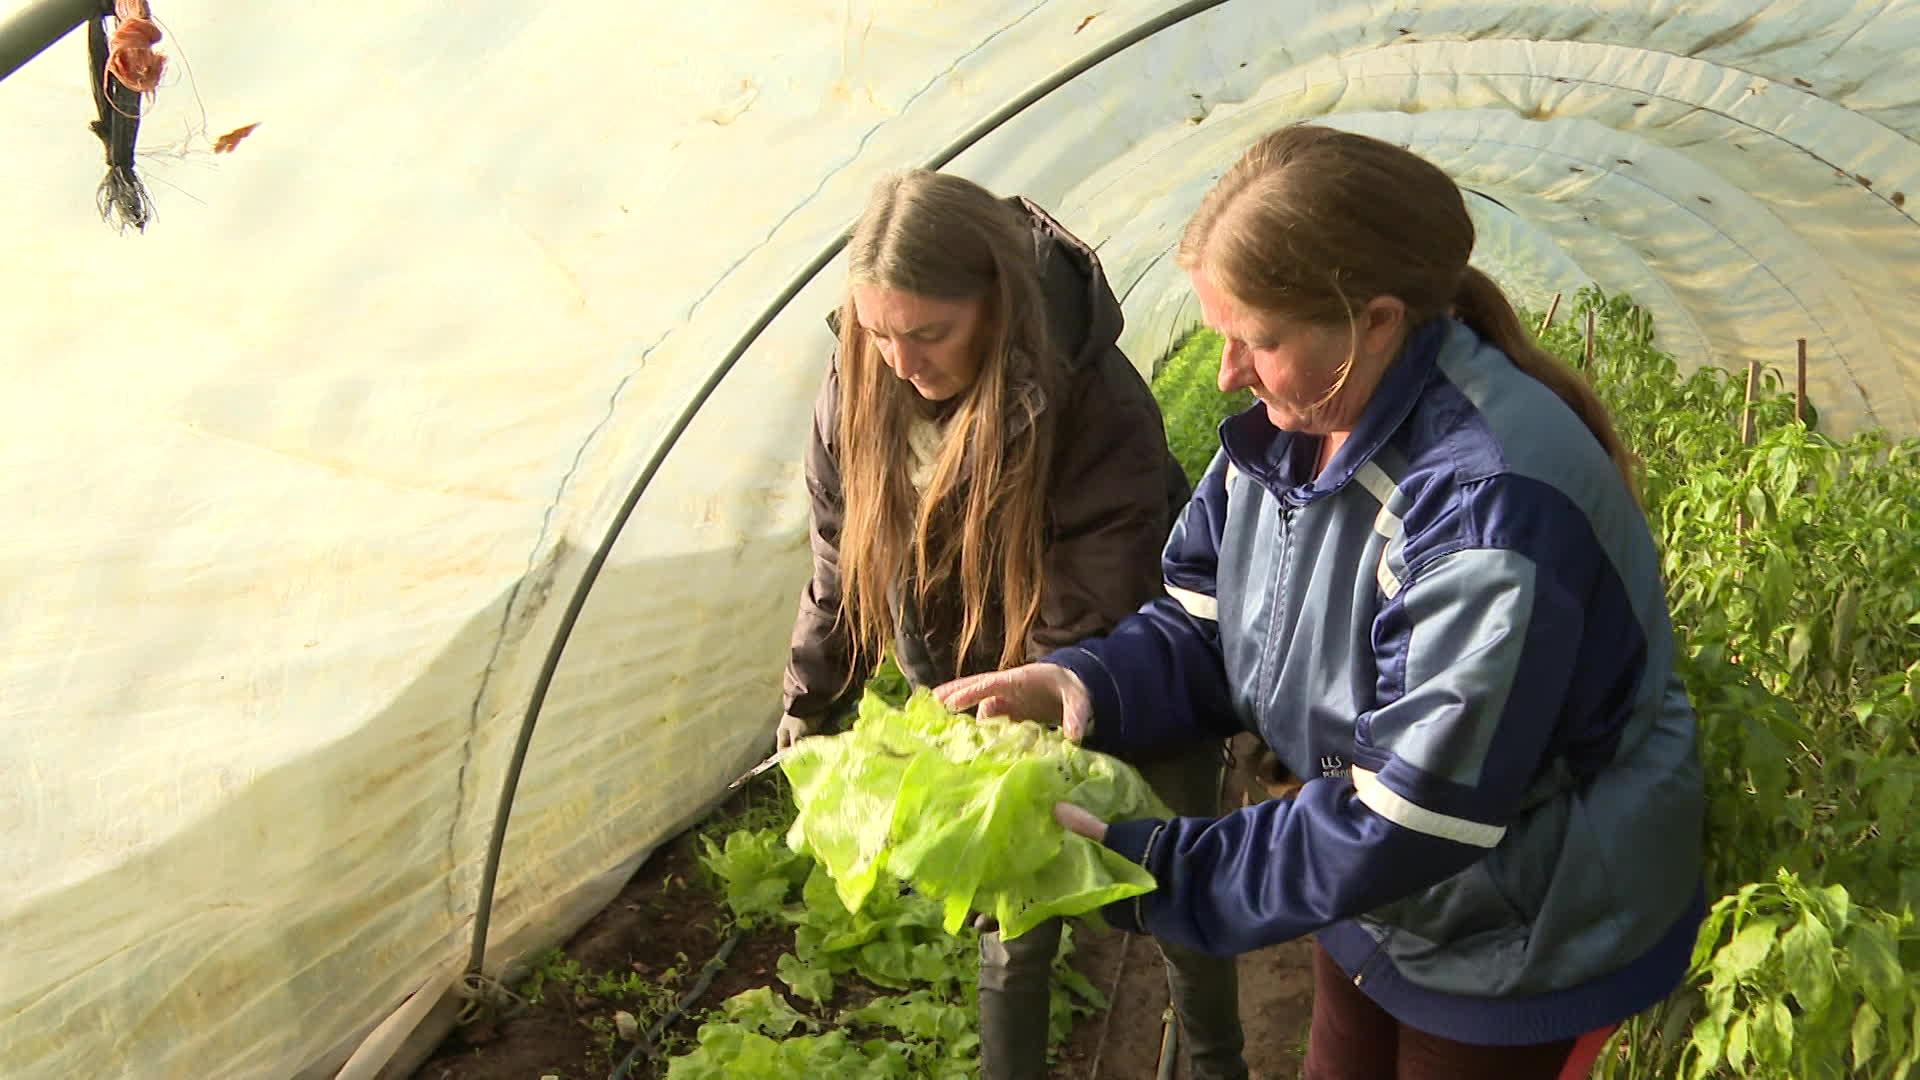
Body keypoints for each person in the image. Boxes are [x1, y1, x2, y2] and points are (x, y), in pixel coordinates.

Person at [938, 125, 1706, 1080]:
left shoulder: (1486, 508)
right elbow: (1205, 623)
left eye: (1256, 340)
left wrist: (1154, 869)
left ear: (1376, 321)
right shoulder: (1293, 427)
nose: (1227, 373)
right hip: (1370, 884)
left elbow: (1411, 816)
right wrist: (1073, 687)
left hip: (1517, 927)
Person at [776, 169, 1249, 1080]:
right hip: (980, 683)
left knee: (1180, 887)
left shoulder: (1089, 394)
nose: (903, 363)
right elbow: (841, 556)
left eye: (930, 334)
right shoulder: (859, 386)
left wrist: (1031, 711)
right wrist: (813, 696)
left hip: (1127, 667)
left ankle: (1219, 1063)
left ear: (996, 302)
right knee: (1010, 914)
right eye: (880, 334)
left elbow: (1103, 579)